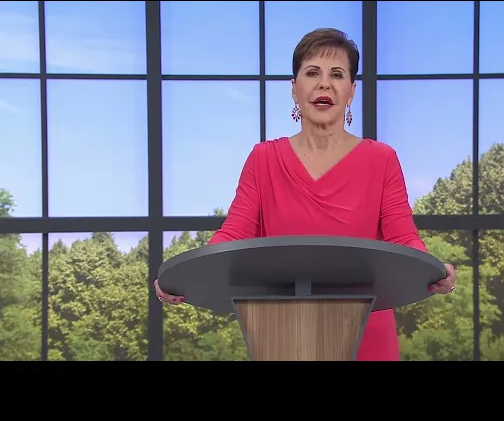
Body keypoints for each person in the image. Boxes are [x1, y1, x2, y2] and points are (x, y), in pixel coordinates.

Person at [154, 27, 457, 361]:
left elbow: (403, 238)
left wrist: (434, 268)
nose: (324, 84)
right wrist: (187, 276)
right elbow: (234, 235)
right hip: (284, 335)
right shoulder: (263, 159)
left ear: (351, 91)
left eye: (337, 74)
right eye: (312, 73)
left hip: (367, 334)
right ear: (294, 89)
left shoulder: (382, 159)